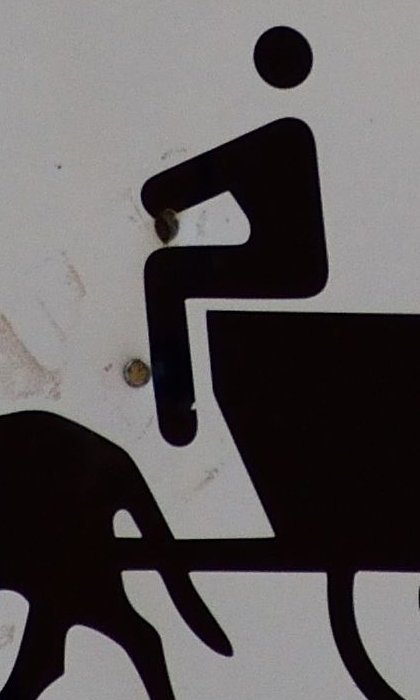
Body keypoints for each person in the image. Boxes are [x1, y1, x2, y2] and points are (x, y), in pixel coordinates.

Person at [139, 26, 328, 446]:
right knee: (166, 275)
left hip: (281, 272)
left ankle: (179, 423)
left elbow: (160, 194)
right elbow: (161, 194)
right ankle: (179, 422)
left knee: (166, 275)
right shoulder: (283, 134)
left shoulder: (282, 136)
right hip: (282, 275)